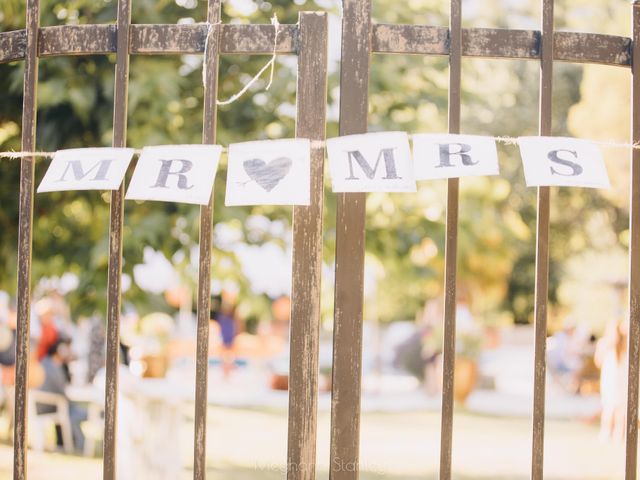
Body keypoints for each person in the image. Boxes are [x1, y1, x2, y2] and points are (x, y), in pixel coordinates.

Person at [37, 337, 86, 452]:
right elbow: (61, 391)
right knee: (73, 411)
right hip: (49, 404)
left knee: (71, 410)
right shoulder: (53, 366)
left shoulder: (46, 362)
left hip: (46, 402)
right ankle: (78, 444)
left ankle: (71, 443)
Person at [595, 320, 628, 441]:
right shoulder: (625, 343)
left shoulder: (604, 343)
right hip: (622, 377)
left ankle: (606, 432)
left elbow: (598, 362)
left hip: (610, 377)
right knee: (621, 407)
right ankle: (619, 433)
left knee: (608, 406)